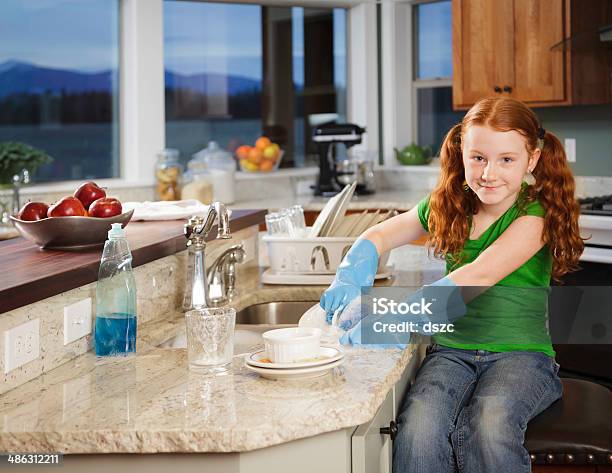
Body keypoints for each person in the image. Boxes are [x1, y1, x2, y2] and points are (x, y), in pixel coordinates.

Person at [319, 96, 584, 472]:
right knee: (417, 429)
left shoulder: (534, 215)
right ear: (462, 154)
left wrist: (402, 317)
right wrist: (352, 267)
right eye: (478, 158)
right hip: (452, 352)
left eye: (506, 160)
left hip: (521, 356)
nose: (489, 173)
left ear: (532, 160)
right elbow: (381, 234)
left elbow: (479, 275)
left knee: (489, 425)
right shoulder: (450, 204)